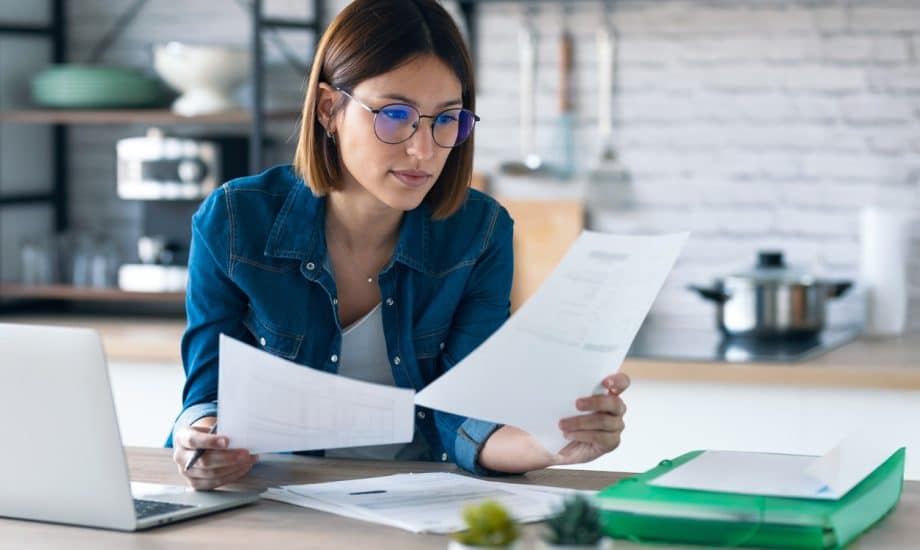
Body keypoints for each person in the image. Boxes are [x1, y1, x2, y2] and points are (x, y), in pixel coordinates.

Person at [170, 0, 630, 491]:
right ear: (329, 109)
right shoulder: (236, 221)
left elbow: (468, 420)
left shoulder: (481, 231)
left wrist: (554, 442)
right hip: (281, 499)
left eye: (446, 119)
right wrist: (201, 443)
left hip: (420, 499)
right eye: (395, 114)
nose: (424, 150)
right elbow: (206, 398)